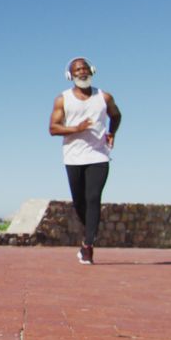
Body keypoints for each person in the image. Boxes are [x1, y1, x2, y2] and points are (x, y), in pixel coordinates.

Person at [49, 57, 122, 264]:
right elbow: (53, 128)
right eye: (77, 70)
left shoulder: (104, 97)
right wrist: (76, 129)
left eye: (84, 68)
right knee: (79, 202)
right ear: (70, 75)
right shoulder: (62, 99)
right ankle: (87, 237)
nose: (81, 72)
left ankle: (88, 246)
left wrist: (111, 133)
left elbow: (116, 116)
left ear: (92, 71)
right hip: (73, 157)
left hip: (99, 155)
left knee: (93, 198)